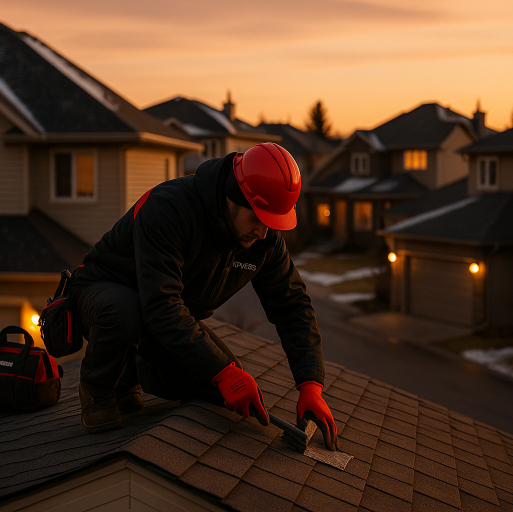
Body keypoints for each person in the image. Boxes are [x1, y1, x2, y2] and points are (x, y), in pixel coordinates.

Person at [70, 142, 338, 449]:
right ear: (234, 198)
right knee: (125, 310)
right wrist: (220, 370)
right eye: (258, 219)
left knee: (225, 391)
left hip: (159, 319)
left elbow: (292, 306)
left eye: (271, 223)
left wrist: (310, 384)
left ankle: (130, 370)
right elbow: (161, 305)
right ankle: (99, 390)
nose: (264, 232)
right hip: (102, 297)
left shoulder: (264, 240)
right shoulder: (170, 208)